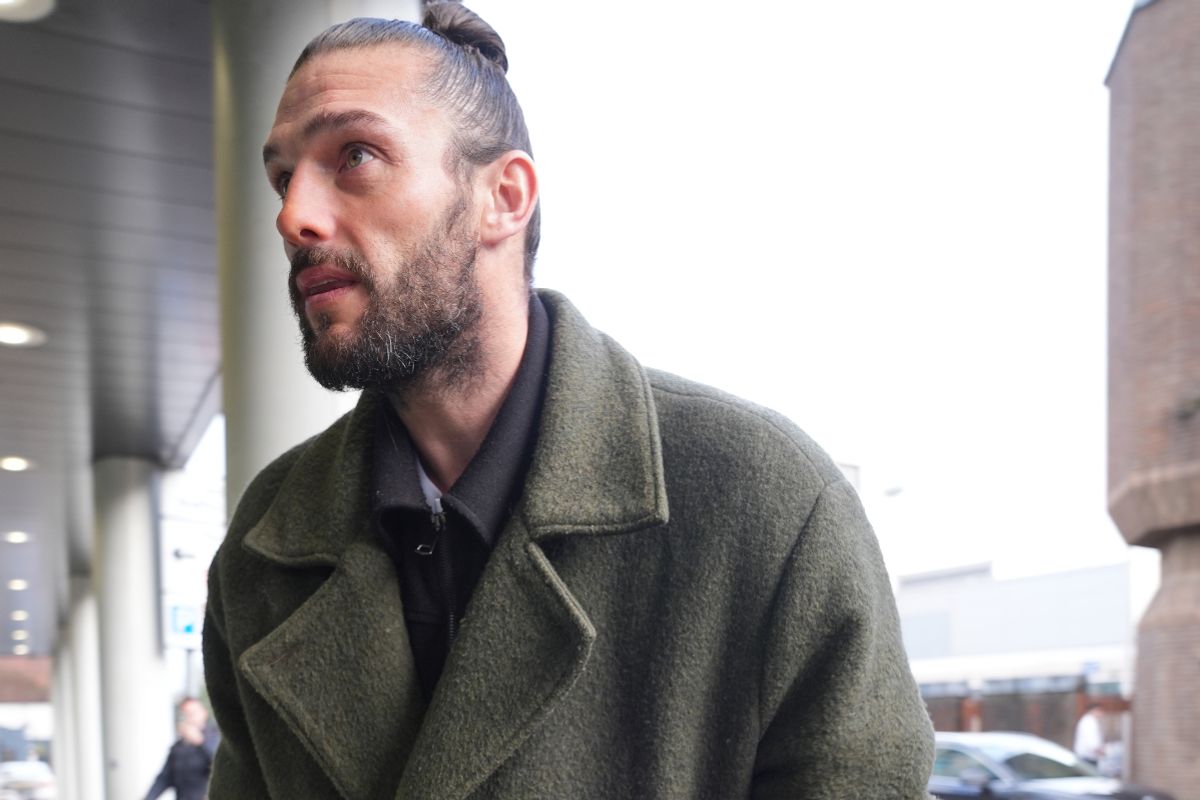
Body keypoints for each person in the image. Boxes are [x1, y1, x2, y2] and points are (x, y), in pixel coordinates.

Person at [201, 2, 935, 797]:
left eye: (356, 156)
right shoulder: (264, 547)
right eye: (282, 177)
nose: (292, 215)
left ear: (504, 197)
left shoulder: (765, 502)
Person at [143, 697, 219, 800]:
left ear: (204, 713)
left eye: (193, 713)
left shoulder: (216, 737)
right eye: (186, 715)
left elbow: (219, 764)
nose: (190, 718)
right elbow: (165, 777)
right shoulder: (178, 747)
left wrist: (200, 742)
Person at [1074, 702, 1106, 767]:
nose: (1101, 713)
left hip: (1086, 756)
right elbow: (1092, 742)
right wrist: (1100, 751)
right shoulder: (1090, 722)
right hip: (1087, 757)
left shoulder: (1088, 720)